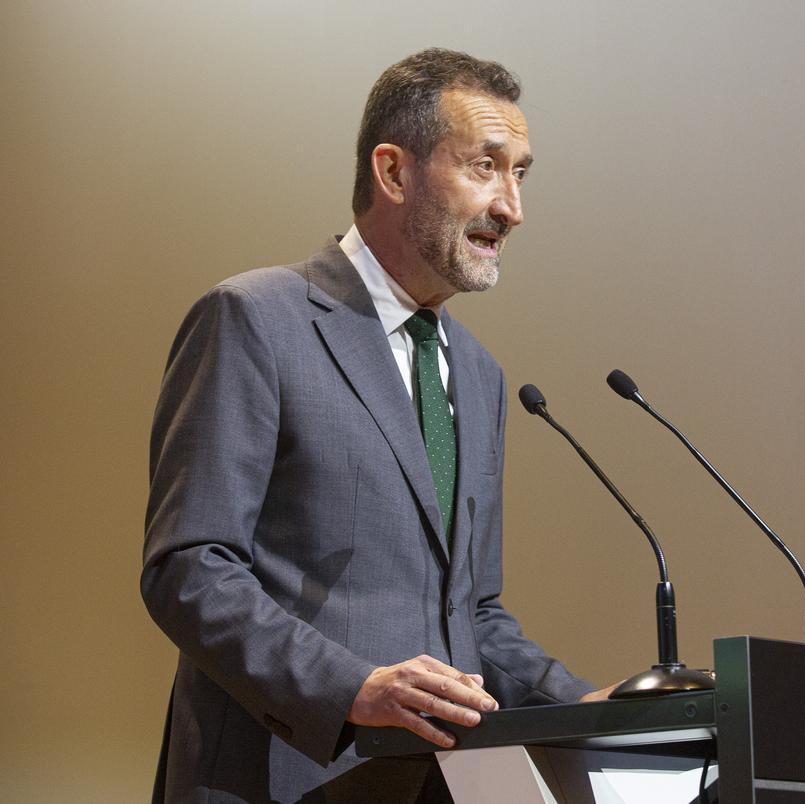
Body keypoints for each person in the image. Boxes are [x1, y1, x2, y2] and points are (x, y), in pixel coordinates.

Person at [142, 48, 613, 803]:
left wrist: (587, 707)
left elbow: (470, 614)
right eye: (486, 167)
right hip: (280, 781)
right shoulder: (257, 321)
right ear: (393, 172)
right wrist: (350, 687)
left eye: (520, 173)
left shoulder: (479, 373)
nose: (511, 207)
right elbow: (189, 569)